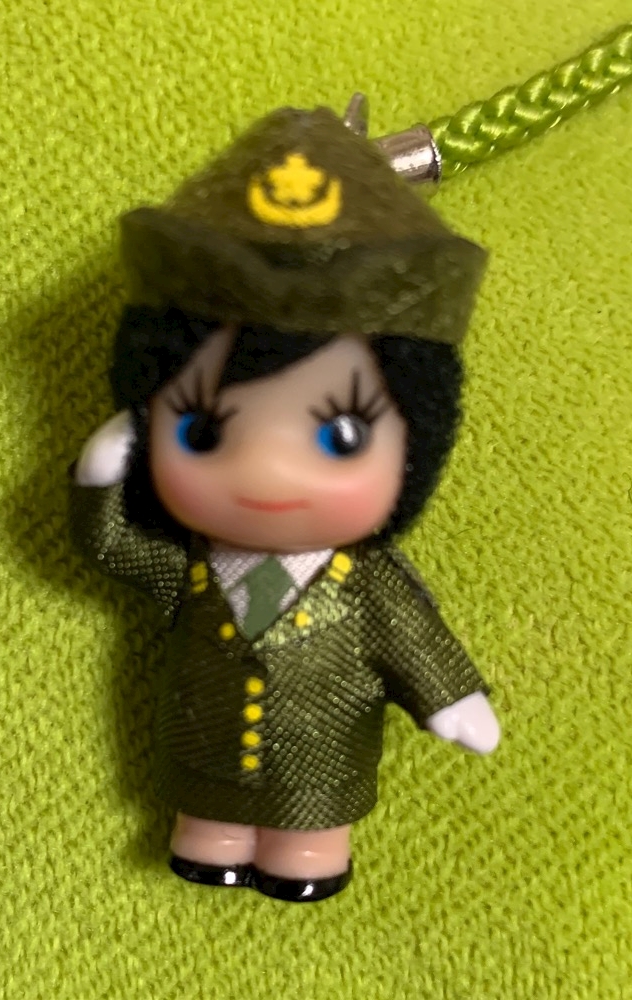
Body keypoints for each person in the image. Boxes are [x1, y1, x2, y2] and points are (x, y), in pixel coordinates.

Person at [71, 105, 500, 902]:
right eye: (203, 431)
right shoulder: (191, 572)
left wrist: (451, 698)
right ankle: (211, 839)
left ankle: (309, 848)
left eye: (341, 437)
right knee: (207, 823)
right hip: (202, 763)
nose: (266, 473)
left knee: (312, 827)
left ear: (416, 448)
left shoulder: (363, 588)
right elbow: (114, 549)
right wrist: (100, 481)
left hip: (323, 770)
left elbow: (412, 637)